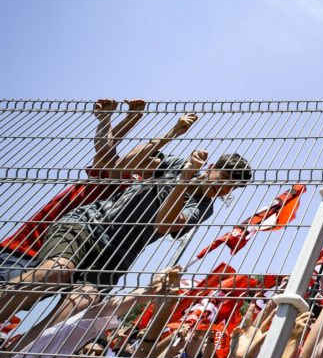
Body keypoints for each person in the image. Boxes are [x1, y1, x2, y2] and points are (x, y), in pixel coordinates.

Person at [0, 150, 252, 316]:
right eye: (226, 176)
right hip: (91, 224)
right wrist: (173, 133)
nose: (225, 186)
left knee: (80, 305)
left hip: (118, 254)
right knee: (56, 271)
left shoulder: (203, 207)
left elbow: (165, 224)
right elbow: (125, 165)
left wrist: (184, 181)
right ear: (211, 167)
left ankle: (12, 357)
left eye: (233, 185)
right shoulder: (177, 164)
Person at [0, 100, 197, 287]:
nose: (152, 158)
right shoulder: (112, 176)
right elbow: (105, 150)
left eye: (156, 160)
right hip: (23, 247)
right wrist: (119, 119)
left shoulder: (132, 193)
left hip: (64, 257)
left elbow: (106, 152)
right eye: (149, 154)